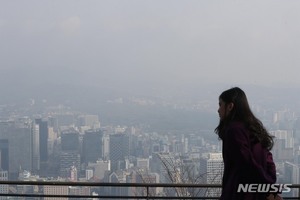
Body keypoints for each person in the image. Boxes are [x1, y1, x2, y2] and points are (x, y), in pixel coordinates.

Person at [215, 87, 278, 200]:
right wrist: (268, 182)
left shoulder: (234, 130)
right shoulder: (255, 128)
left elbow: (245, 162)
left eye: (220, 105)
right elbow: (268, 159)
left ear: (230, 106)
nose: (218, 110)